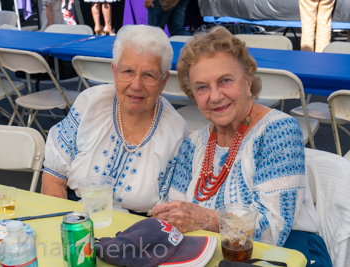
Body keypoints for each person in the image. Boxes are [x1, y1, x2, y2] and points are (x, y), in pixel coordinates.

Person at [151, 26, 332, 266]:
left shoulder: (278, 131)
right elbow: (173, 214)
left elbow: (272, 231)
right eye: (202, 87)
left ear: (248, 81)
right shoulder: (193, 144)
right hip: (208, 255)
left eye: (225, 81)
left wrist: (203, 218)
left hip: (284, 255)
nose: (215, 96)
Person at [41, 24, 189, 215]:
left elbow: (170, 213)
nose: (136, 85)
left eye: (148, 75)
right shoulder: (89, 104)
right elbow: (54, 177)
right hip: (74, 221)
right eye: (127, 71)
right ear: (114, 71)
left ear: (163, 81)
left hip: (137, 233)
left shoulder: (176, 131)